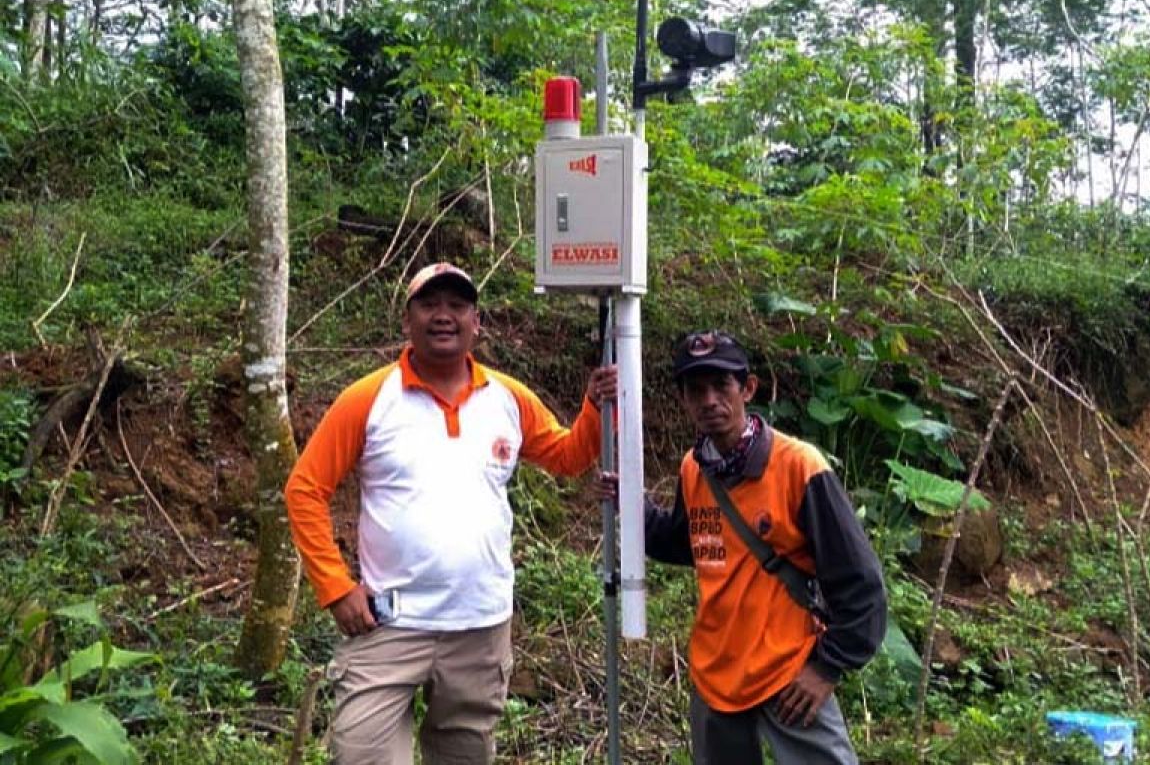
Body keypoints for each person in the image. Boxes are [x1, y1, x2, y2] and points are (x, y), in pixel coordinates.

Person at [285, 262, 617, 765]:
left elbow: (567, 458)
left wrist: (594, 407)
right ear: (407, 321)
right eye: (429, 304)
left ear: (476, 322)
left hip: (480, 627)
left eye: (457, 305)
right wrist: (334, 587)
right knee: (361, 754)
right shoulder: (369, 399)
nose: (444, 316)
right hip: (388, 626)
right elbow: (305, 489)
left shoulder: (507, 398)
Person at [595, 330, 886, 765]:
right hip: (717, 677)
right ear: (684, 399)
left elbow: (861, 583)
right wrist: (632, 507)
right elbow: (690, 543)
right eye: (696, 390)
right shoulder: (695, 468)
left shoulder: (799, 467)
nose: (710, 400)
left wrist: (826, 668)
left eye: (722, 386)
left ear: (747, 389)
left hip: (789, 673)